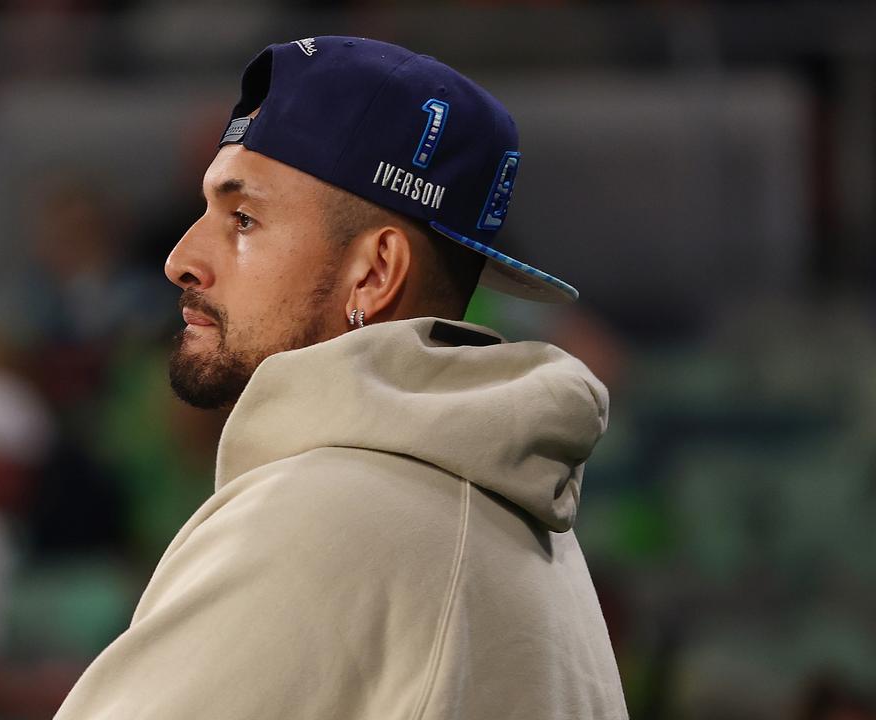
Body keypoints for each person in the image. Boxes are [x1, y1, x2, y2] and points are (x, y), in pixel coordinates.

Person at [54, 36, 627, 719]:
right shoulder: (532, 534)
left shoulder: (323, 517)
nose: (182, 258)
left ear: (376, 272)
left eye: (242, 218)